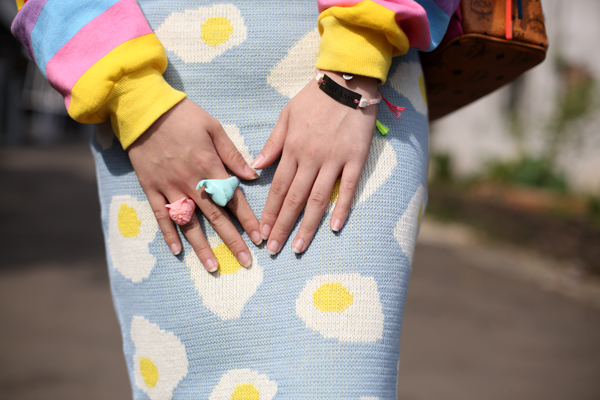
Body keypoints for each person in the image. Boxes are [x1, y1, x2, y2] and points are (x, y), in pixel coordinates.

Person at [12, 0, 459, 398]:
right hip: (152, 103)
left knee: (340, 380)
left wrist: (353, 65)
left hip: (353, 84)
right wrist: (136, 100)